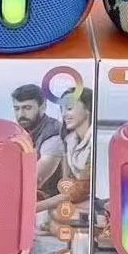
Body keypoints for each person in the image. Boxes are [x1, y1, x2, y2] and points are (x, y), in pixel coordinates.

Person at [35, 87, 92, 219]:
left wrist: (36, 207)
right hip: (75, 200)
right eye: (62, 109)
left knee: (55, 215)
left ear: (88, 109)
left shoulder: (96, 143)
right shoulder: (68, 140)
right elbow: (67, 185)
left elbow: (80, 189)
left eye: (69, 108)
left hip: (90, 199)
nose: (64, 114)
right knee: (54, 215)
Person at [11, 84, 62, 197]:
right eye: (17, 108)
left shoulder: (54, 134)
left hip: (50, 198)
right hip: (18, 192)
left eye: (27, 108)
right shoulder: (15, 129)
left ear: (43, 107)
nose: (21, 115)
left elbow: (36, 179)